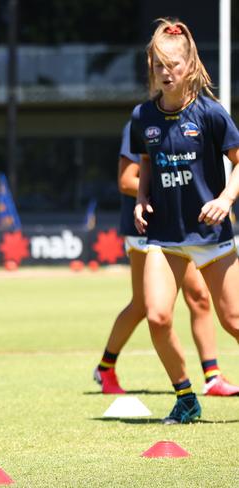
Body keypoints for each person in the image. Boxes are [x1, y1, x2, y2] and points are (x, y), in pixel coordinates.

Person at [132, 18, 239, 424]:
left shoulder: (211, 113)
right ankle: (186, 397)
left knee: (233, 321)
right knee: (157, 316)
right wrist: (142, 199)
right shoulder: (144, 116)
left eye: (173, 64)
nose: (166, 72)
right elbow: (146, 161)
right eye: (159, 65)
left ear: (189, 65)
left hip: (211, 236)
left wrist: (226, 197)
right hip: (166, 237)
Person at [94, 122, 239, 396]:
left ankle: (212, 375)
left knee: (199, 295)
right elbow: (126, 180)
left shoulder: (196, 117)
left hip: (184, 227)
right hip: (147, 226)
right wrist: (171, 187)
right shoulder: (142, 121)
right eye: (157, 74)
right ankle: (105, 368)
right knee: (143, 306)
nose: (165, 76)